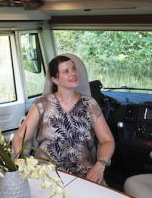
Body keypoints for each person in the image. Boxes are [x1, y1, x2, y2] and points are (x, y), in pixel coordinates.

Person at [12, 55, 115, 184]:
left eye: (74, 68)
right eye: (66, 71)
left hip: (82, 171)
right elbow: (19, 136)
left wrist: (100, 165)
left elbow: (107, 140)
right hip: (45, 169)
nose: (73, 73)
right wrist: (21, 158)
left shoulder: (89, 104)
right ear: (55, 79)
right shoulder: (42, 103)